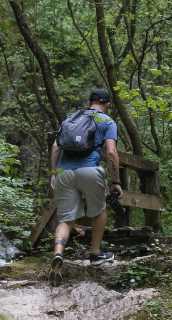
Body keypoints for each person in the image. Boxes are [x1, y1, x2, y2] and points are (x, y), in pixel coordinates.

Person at [48, 88, 123, 287]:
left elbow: (56, 146)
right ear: (108, 104)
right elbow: (111, 152)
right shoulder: (107, 121)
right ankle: (95, 253)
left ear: (90, 102)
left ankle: (58, 254)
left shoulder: (72, 117)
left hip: (64, 172)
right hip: (89, 170)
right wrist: (116, 181)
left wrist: (54, 173)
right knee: (98, 210)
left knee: (66, 218)